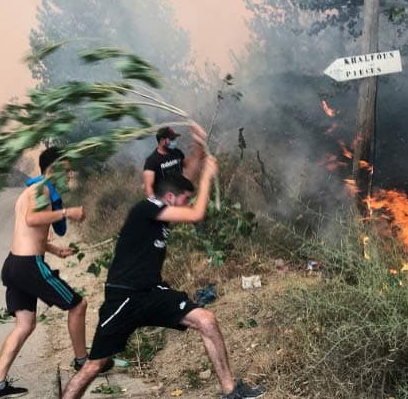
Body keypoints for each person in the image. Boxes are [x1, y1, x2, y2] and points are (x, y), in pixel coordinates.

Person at [62, 158, 265, 399]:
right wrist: (208, 176)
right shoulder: (146, 207)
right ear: (169, 197)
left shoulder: (161, 209)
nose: (187, 204)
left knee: (206, 320)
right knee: (94, 365)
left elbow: (182, 182)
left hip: (152, 291)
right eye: (184, 199)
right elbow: (195, 214)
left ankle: (231, 392)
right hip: (125, 296)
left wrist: (198, 151)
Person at [0, 147, 112, 398]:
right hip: (29, 265)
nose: (69, 175)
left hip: (15, 263)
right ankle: (81, 360)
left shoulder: (28, 191)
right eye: (65, 170)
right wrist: (68, 212)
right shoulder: (40, 189)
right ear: (52, 169)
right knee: (78, 304)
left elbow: (26, 232)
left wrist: (53, 249)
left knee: (25, 324)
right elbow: (32, 219)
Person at [142, 124, 206, 197]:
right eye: (171, 139)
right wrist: (157, 205)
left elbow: (188, 165)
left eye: (174, 138)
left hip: (181, 197)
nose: (174, 141)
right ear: (162, 141)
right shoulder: (152, 161)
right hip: (165, 201)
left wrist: (197, 153)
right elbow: (148, 187)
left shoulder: (177, 152)